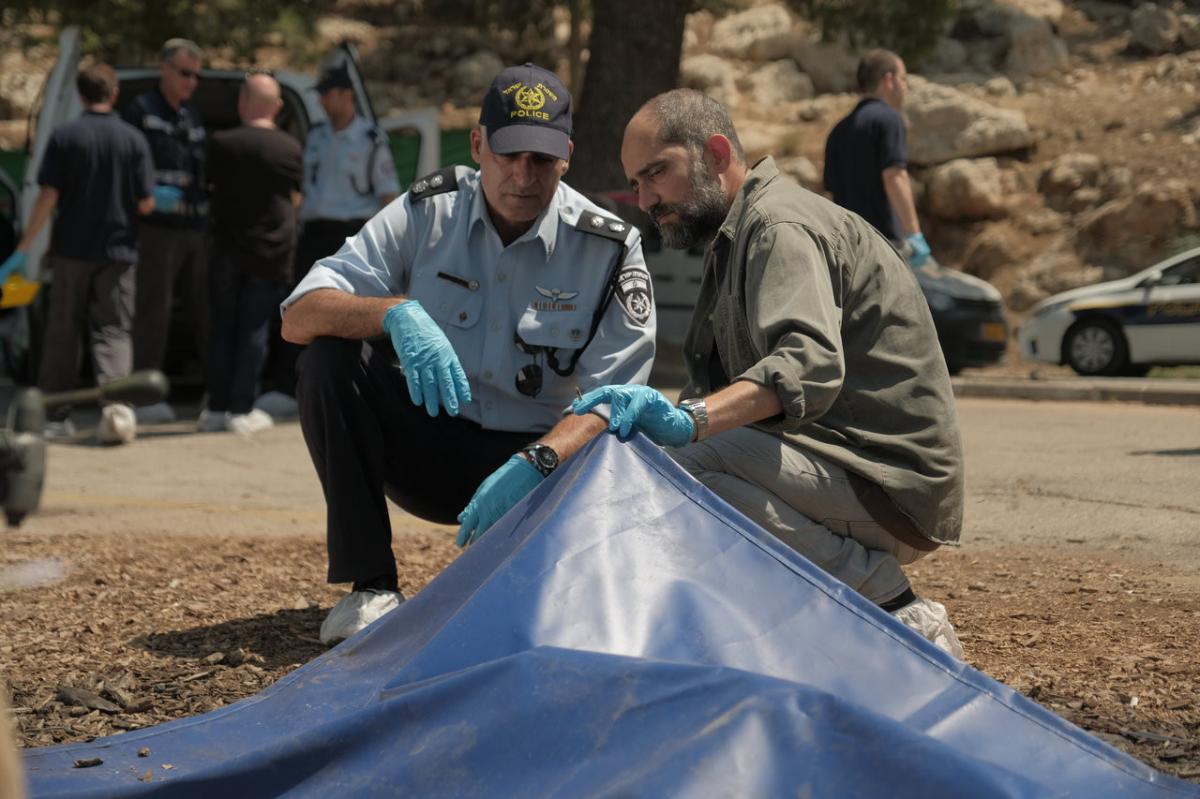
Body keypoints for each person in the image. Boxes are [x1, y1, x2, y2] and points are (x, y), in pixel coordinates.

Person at [571, 89, 966, 657]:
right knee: (658, 468)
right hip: (838, 464)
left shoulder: (777, 227)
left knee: (685, 469)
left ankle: (897, 611)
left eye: (656, 172)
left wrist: (689, 422)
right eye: (635, 183)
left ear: (714, 152)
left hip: (888, 483)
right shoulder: (733, 237)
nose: (645, 199)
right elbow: (712, 385)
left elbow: (807, 364)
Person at [280, 63, 656, 644]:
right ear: (478, 145)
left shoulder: (608, 246)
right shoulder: (428, 210)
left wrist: (540, 461)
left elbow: (620, 399)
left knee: (530, 617)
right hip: (427, 439)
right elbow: (298, 313)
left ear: (567, 158)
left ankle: (575, 577)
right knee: (328, 358)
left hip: (538, 467)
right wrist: (390, 313)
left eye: (542, 159)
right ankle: (370, 587)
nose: (524, 177)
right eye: (508, 155)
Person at [0, 62, 154, 443]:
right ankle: (117, 410)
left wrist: (22, 248)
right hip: (119, 252)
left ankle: (55, 413)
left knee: (63, 331)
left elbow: (47, 197)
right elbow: (146, 203)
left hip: (71, 251)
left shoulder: (65, 136)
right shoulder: (133, 139)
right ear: (113, 93)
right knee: (113, 330)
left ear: (82, 96)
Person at [256, 63, 401, 419]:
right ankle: (288, 387)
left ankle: (356, 386)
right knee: (299, 306)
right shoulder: (317, 136)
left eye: (326, 94)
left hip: (350, 231)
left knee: (350, 315)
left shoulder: (370, 140)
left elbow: (388, 198)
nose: (321, 101)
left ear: (345, 94)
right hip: (313, 232)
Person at [200, 70, 303, 435]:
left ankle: (215, 407)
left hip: (226, 250)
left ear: (243, 102)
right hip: (269, 254)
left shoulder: (221, 143)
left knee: (222, 328)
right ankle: (242, 408)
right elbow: (296, 198)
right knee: (254, 332)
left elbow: (208, 188)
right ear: (275, 107)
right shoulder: (289, 148)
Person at [123, 38, 210, 423]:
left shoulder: (192, 116)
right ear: (164, 69)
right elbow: (124, 164)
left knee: (205, 310)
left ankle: (217, 393)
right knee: (152, 313)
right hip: (156, 229)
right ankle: (143, 397)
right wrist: (146, 195)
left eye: (196, 75)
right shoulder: (141, 111)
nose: (191, 81)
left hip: (195, 228)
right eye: (185, 73)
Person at [823, 49, 931, 268]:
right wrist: (914, 234)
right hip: (884, 246)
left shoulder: (837, 131)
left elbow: (829, 193)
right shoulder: (889, 119)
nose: (905, 87)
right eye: (903, 79)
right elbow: (895, 176)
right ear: (888, 80)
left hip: (849, 251)